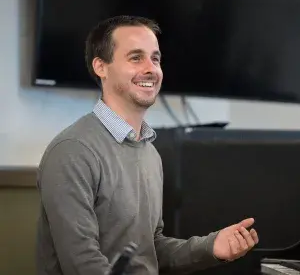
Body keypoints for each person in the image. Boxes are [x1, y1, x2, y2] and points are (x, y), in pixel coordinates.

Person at [36, 15, 259, 275]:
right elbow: (82, 264)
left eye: (155, 58)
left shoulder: (150, 153)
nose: (151, 69)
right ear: (101, 67)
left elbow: (151, 249)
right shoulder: (73, 150)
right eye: (135, 58)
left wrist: (211, 248)